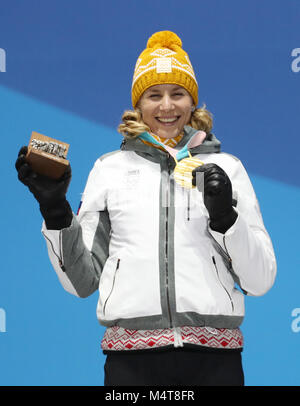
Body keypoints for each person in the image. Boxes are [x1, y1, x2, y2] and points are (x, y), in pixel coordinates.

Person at [15, 30, 277, 386]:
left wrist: (226, 218)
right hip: (130, 366)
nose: (167, 106)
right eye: (154, 95)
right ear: (138, 105)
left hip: (216, 362)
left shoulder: (227, 168)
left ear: (193, 103)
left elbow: (260, 281)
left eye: (178, 94)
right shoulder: (109, 169)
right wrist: (56, 212)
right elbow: (82, 282)